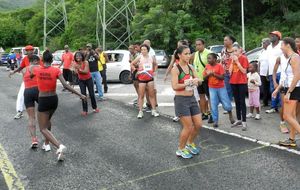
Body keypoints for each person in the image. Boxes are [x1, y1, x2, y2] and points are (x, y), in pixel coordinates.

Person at [34, 50, 86, 161]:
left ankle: (59, 146)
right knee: (48, 121)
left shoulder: (37, 70)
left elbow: (31, 73)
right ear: (52, 60)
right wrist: (80, 94)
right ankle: (47, 144)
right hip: (53, 99)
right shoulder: (56, 70)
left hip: (43, 99)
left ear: (42, 60)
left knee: (42, 128)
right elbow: (66, 85)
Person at [171, 45, 202, 159]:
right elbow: (175, 86)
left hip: (192, 98)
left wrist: (197, 81)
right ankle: (180, 149)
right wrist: (188, 83)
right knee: (188, 127)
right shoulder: (176, 69)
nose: (188, 56)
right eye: (186, 53)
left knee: (198, 124)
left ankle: (189, 144)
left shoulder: (191, 67)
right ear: (179, 55)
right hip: (181, 100)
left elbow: (198, 81)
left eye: (189, 53)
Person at [272, 37, 300, 147]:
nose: (280, 47)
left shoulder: (295, 57)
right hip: (291, 88)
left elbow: (297, 75)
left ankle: (293, 139)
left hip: (294, 89)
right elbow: (286, 78)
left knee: (287, 116)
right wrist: (277, 89)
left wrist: (289, 92)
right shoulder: (289, 58)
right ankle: (292, 140)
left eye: (282, 45)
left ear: (288, 45)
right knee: (292, 115)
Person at [203, 53, 235, 128]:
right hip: (212, 88)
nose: (208, 60)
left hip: (221, 87)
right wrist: (208, 75)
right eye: (208, 58)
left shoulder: (219, 66)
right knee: (213, 104)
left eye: (210, 58)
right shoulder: (207, 66)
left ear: (215, 59)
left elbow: (222, 77)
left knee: (226, 103)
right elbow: (204, 78)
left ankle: (230, 114)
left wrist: (213, 74)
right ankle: (215, 120)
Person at [131, 44, 159, 119]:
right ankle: (140, 111)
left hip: (150, 78)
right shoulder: (139, 57)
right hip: (141, 79)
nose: (143, 51)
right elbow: (132, 64)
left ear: (147, 50)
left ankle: (154, 110)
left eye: (144, 49)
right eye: (142, 49)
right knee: (141, 95)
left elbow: (156, 64)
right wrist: (135, 70)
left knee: (151, 95)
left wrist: (154, 71)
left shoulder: (151, 57)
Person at [9, 45, 35, 119]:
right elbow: (21, 67)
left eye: (30, 50)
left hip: (37, 81)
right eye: (27, 51)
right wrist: (13, 72)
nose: (28, 52)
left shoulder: (37, 59)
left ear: (33, 51)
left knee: (40, 96)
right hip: (26, 81)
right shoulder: (25, 59)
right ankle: (19, 111)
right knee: (20, 96)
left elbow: (42, 68)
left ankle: (45, 111)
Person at [22, 55, 41, 148]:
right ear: (36, 61)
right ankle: (47, 138)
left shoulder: (24, 69)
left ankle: (34, 139)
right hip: (38, 90)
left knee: (31, 117)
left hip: (27, 92)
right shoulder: (38, 67)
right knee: (44, 115)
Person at [191, 38, 212, 122]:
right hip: (199, 80)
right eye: (196, 45)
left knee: (210, 97)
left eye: (199, 44)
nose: (198, 46)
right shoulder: (195, 54)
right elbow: (194, 67)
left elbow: (214, 64)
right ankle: (204, 113)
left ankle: (212, 114)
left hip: (207, 79)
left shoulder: (209, 53)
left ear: (203, 45)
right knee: (201, 96)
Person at [230, 44, 249, 131]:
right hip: (233, 82)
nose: (234, 53)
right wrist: (231, 62)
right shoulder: (232, 59)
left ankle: (244, 121)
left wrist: (237, 62)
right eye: (232, 51)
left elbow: (244, 71)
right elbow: (229, 72)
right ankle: (238, 119)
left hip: (241, 82)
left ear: (240, 50)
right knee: (236, 101)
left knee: (242, 102)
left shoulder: (243, 58)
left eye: (235, 51)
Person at [74, 51, 99, 115]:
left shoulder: (86, 62)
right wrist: (74, 70)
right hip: (81, 80)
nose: (78, 57)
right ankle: (85, 110)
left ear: (82, 56)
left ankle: (95, 107)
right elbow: (75, 72)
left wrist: (78, 69)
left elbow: (86, 71)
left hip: (89, 79)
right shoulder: (75, 63)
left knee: (91, 94)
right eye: (77, 56)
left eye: (79, 56)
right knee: (83, 94)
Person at [266, 31, 283, 114]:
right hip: (271, 72)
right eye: (271, 35)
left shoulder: (282, 44)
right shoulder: (269, 47)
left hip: (281, 71)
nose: (271, 37)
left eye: (273, 36)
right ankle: (273, 107)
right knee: (272, 90)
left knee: (281, 90)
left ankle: (281, 107)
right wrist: (267, 71)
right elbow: (268, 60)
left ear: (278, 37)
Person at [272, 54, 290, 133]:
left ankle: (295, 124)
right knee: (284, 105)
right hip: (283, 84)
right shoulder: (280, 58)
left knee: (297, 107)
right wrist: (275, 82)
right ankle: (282, 123)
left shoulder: (296, 56)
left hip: (296, 84)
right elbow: (274, 71)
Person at [221, 35, 236, 102]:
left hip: (235, 72)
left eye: (226, 40)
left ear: (231, 41)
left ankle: (237, 103)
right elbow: (222, 61)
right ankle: (228, 104)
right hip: (226, 73)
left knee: (235, 88)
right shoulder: (223, 50)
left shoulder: (237, 49)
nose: (224, 42)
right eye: (224, 40)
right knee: (227, 89)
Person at [258, 38, 271, 107]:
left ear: (268, 44)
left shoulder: (270, 51)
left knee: (270, 88)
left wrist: (268, 72)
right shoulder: (262, 51)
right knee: (264, 88)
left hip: (268, 72)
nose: (262, 44)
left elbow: (270, 62)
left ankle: (270, 102)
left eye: (263, 43)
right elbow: (259, 61)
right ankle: (265, 102)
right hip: (262, 72)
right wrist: (258, 70)